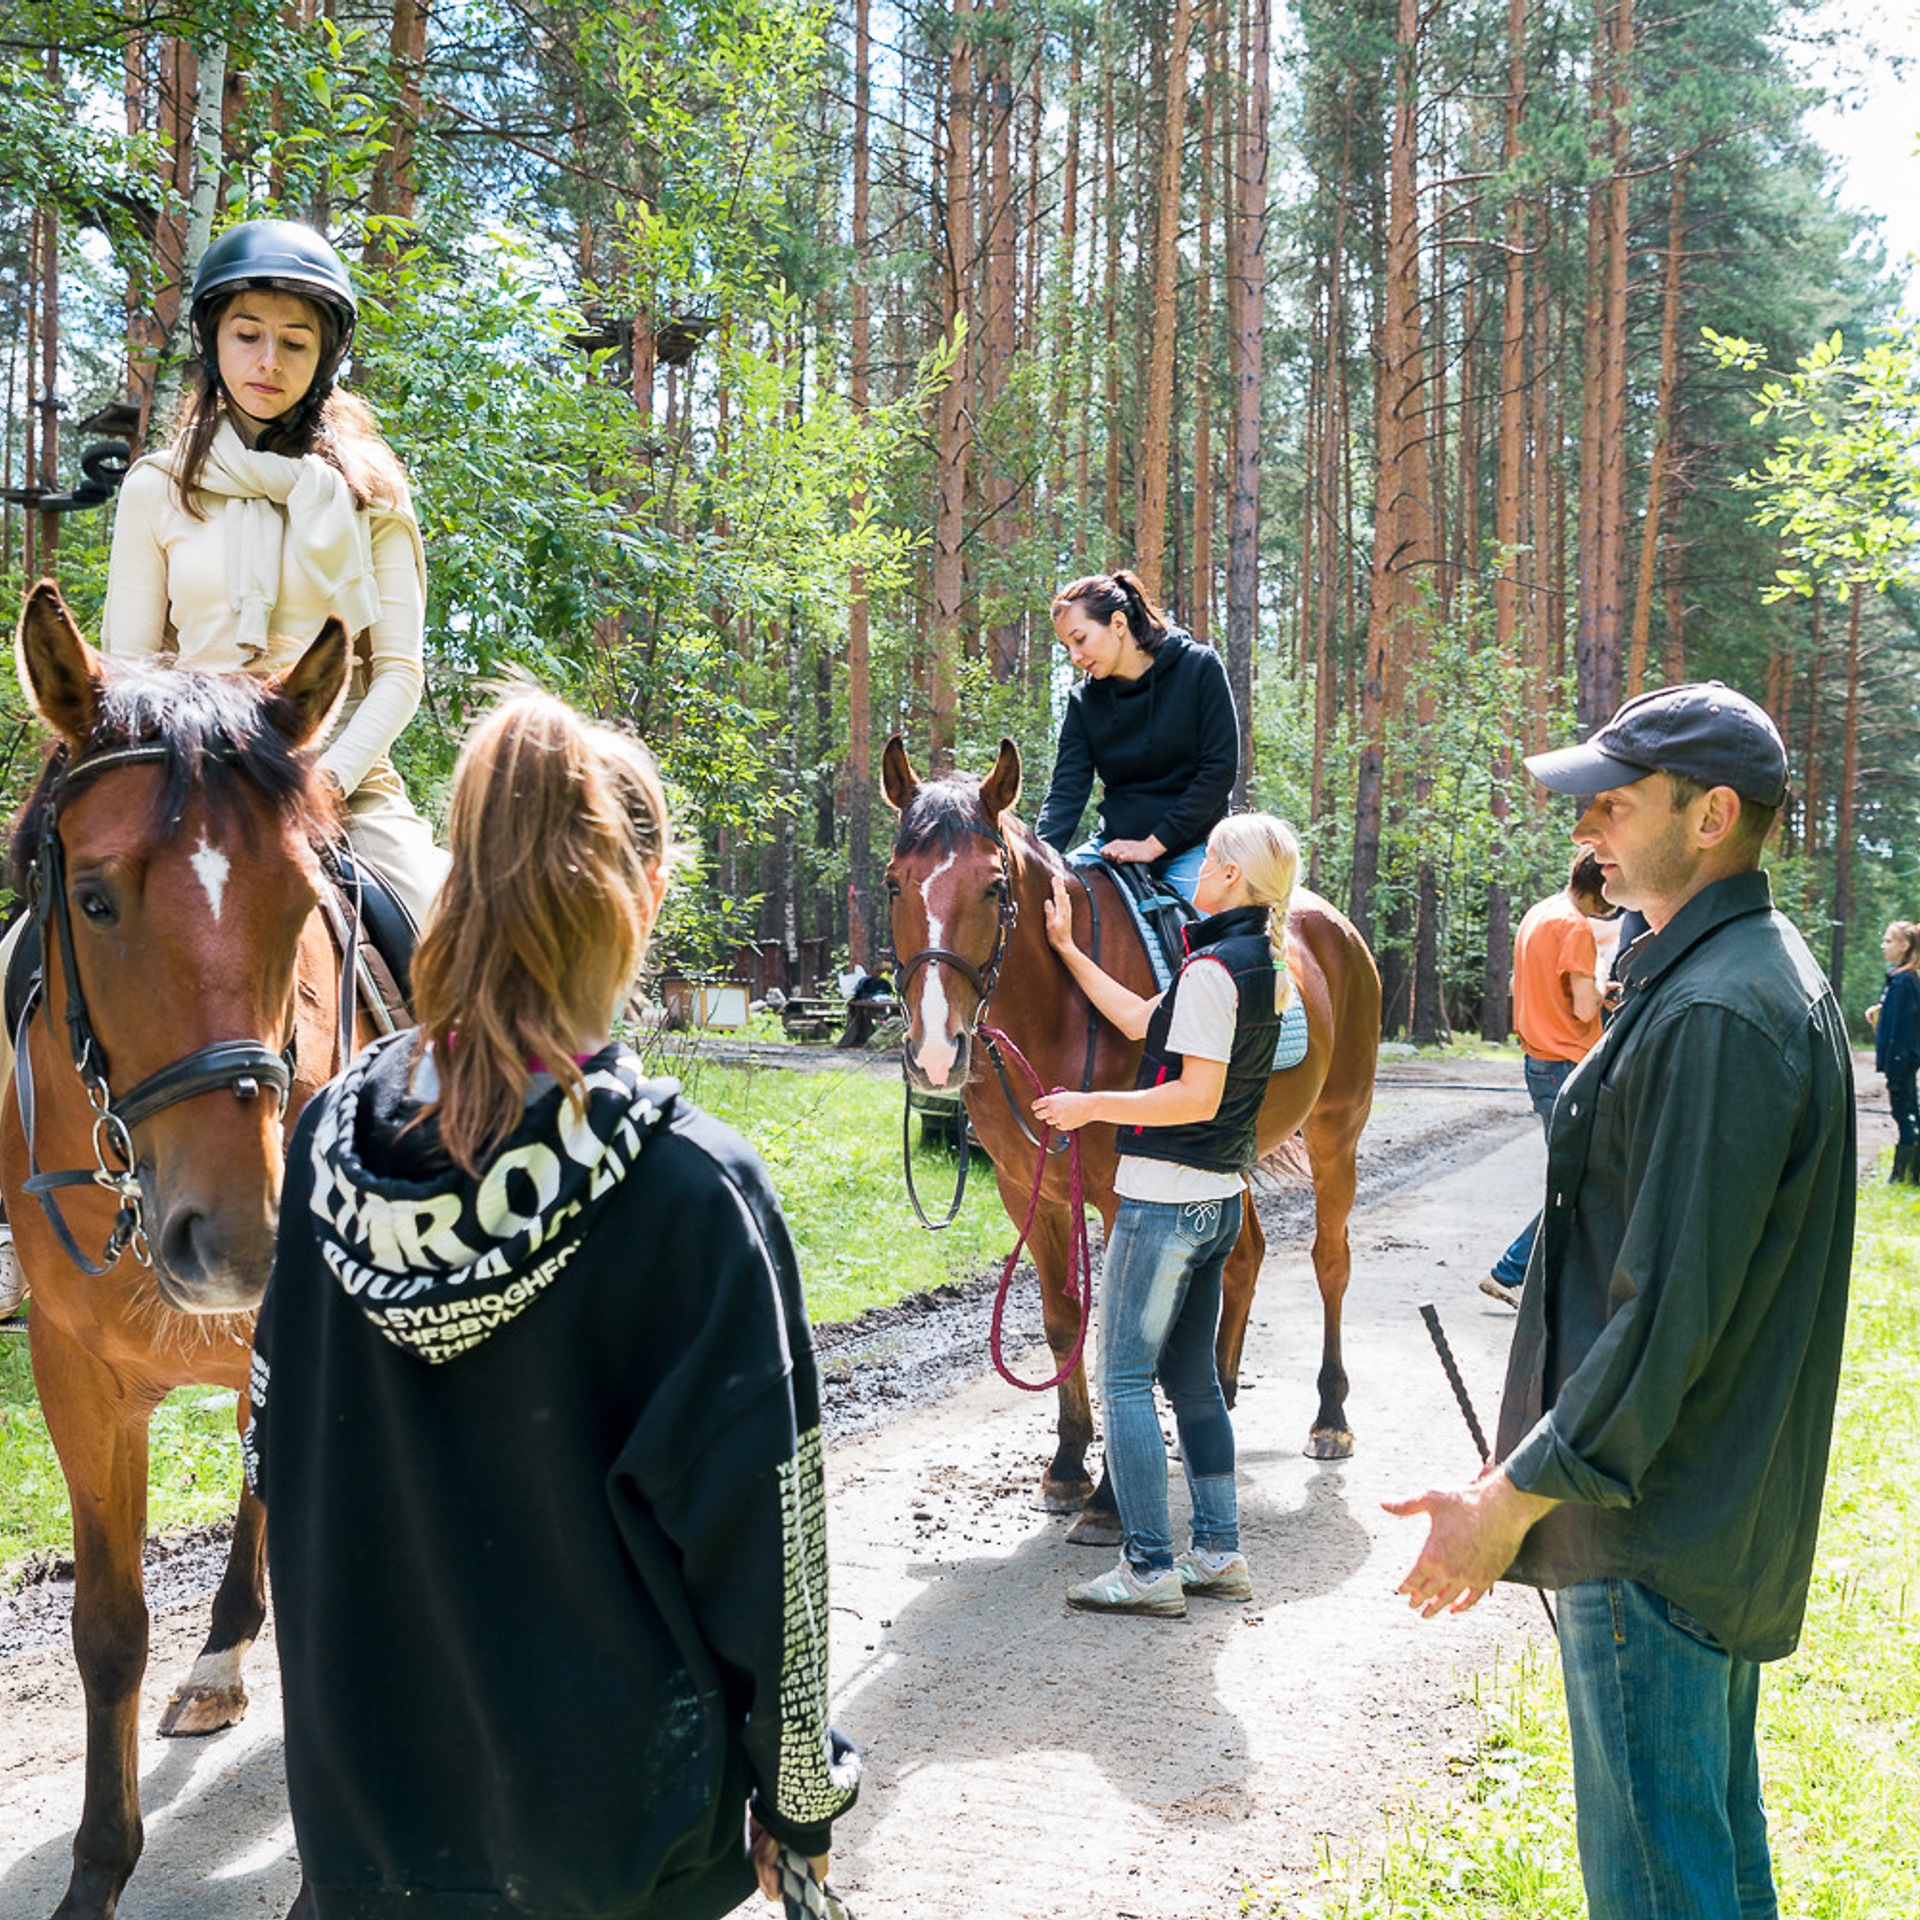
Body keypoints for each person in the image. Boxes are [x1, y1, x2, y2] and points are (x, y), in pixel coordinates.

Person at [242, 689, 859, 1918]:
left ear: (459, 885)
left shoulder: (324, 1149)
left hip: (366, 1842)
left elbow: (273, 1449)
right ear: (645, 896)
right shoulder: (690, 1191)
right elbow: (769, 1552)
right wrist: (799, 1805)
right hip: (615, 1857)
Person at [1385, 682, 1854, 1920]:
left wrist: (1506, 1501)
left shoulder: (1718, 1010)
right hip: (1689, 1519)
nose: (1584, 826)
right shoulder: (1726, 973)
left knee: (1663, 1891)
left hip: (1652, 1535)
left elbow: (1662, 1321)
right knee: (1712, 1870)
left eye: (1614, 801)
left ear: (1711, 816)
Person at [101, 217, 446, 924]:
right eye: (247, 334)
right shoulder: (155, 487)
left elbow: (398, 675)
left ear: (323, 358)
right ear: (214, 341)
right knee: (25, 950)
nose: (269, 361)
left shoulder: (373, 493)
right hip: (185, 772)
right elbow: (128, 673)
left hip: (341, 777)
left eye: (294, 343)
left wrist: (324, 783)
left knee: (443, 931)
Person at [1031, 812, 1298, 1617]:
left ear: (1234, 877)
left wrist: (1091, 1105)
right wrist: (1069, 950)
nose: (1200, 869)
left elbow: (1196, 1096)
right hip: (1217, 1199)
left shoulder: (1214, 970)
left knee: (1122, 1380)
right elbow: (1146, 1023)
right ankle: (1217, 1553)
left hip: (1165, 1202)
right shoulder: (1256, 962)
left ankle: (1148, 1566)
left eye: (1212, 859)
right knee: (1192, 1383)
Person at [1033, 570, 1239, 904]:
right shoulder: (1083, 701)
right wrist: (1036, 858)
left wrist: (1153, 845)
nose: (1074, 657)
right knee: (1046, 903)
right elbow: (1066, 793)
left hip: (1194, 847)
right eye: (1066, 646)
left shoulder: (1199, 667)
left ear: (1118, 623)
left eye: (1080, 639)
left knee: (1205, 932)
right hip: (1114, 847)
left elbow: (1219, 771)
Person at [1479, 851, 1611, 1308]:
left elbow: (1523, 985)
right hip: (1567, 1066)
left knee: (1575, 1177)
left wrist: (1587, 990)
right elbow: (1584, 1009)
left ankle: (1546, 1278)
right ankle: (1510, 1273)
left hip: (1539, 1061)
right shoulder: (1576, 927)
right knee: (1578, 1182)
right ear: (1602, 887)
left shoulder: (1541, 913)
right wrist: (1599, 983)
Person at [1869, 919, 1920, 1183]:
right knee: (1906, 1111)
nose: (1883, 945)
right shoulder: (1900, 979)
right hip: (1902, 1061)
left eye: (1888, 941)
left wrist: (1896, 1066)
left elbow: (1904, 1029)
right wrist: (1879, 1010)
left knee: (1906, 1114)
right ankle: (1908, 1174)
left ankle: (1906, 1175)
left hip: (1902, 1062)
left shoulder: (1903, 982)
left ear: (1905, 945)